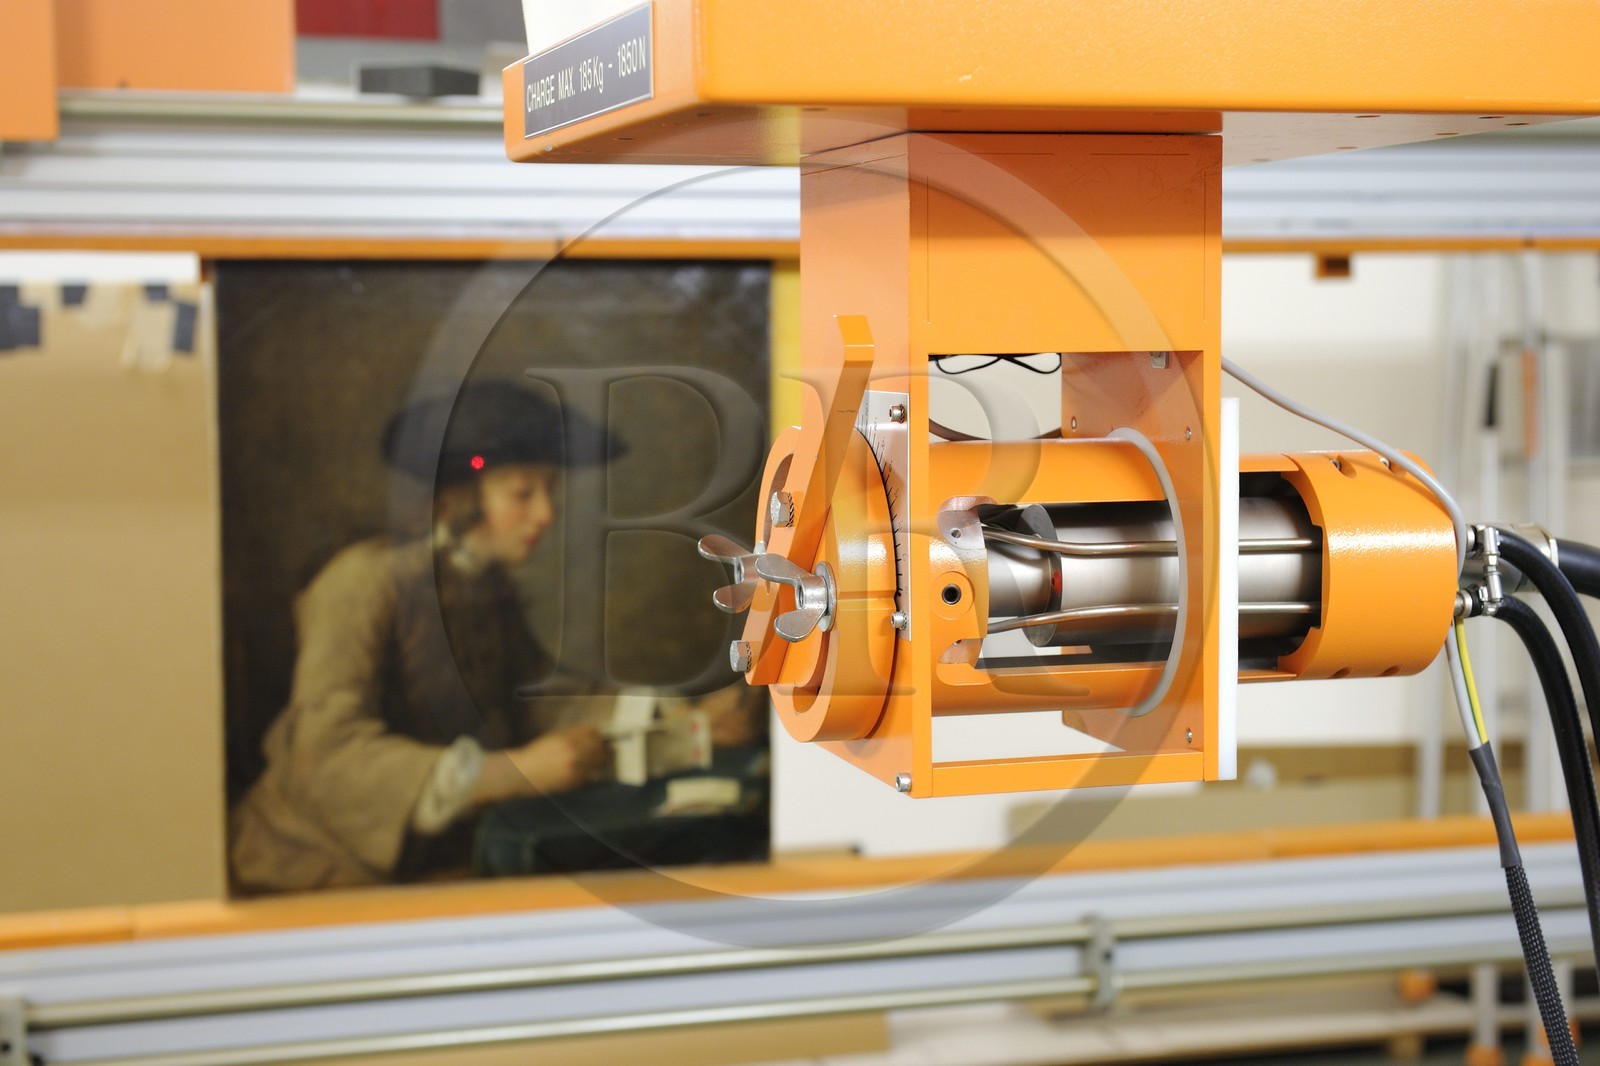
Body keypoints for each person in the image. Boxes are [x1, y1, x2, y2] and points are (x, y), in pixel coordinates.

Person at [230, 380, 754, 892]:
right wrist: (517, 773)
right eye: (523, 493)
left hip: (438, 860)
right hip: (312, 867)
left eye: (549, 490)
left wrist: (679, 717)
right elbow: (325, 759)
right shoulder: (360, 582)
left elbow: (534, 702)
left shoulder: (481, 584)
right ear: (462, 496)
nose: (546, 514)